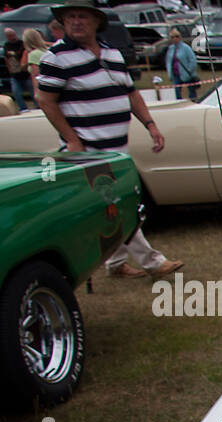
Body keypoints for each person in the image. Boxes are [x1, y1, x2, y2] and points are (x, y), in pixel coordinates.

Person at [37, 1, 181, 279]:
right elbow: (46, 101)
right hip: (88, 149)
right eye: (70, 18)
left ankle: (115, 264)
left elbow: (131, 94)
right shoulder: (55, 57)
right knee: (119, 204)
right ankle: (153, 262)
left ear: (96, 22)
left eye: (82, 17)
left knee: (111, 206)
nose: (76, 22)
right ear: (63, 23)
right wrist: (72, 140)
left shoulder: (112, 53)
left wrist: (150, 124)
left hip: (117, 148)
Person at [163, 29, 198, 102]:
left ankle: (193, 101)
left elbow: (192, 60)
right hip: (175, 74)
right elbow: (168, 61)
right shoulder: (171, 48)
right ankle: (178, 102)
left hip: (187, 73)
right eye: (172, 37)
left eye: (176, 36)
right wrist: (169, 73)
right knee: (176, 91)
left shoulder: (186, 48)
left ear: (180, 37)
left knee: (191, 91)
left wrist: (189, 70)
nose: (175, 39)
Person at [4, 27, 30, 110]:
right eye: (9, 36)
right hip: (14, 74)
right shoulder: (6, 45)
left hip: (26, 73)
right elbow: (6, 58)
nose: (12, 37)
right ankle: (23, 108)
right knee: (16, 93)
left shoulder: (22, 44)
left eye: (13, 35)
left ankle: (38, 107)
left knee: (33, 91)